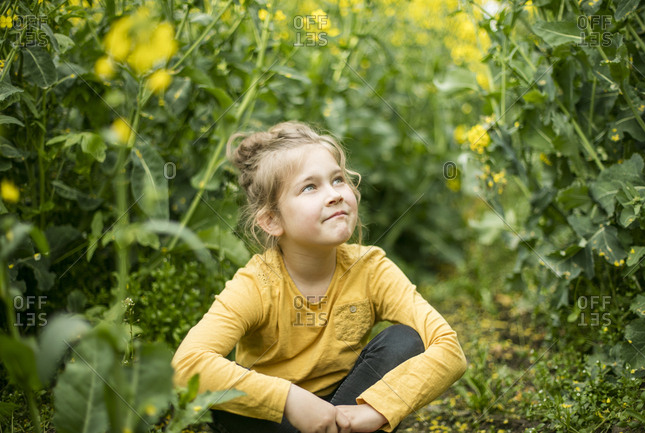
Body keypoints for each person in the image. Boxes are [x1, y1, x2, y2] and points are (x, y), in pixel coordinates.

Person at [172, 122, 467, 433]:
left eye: (338, 179)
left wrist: (375, 410)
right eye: (309, 187)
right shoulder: (257, 283)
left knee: (407, 339)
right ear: (272, 220)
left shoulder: (371, 268)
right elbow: (186, 365)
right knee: (228, 402)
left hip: (347, 409)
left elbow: (449, 349)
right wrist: (289, 399)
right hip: (280, 417)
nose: (334, 195)